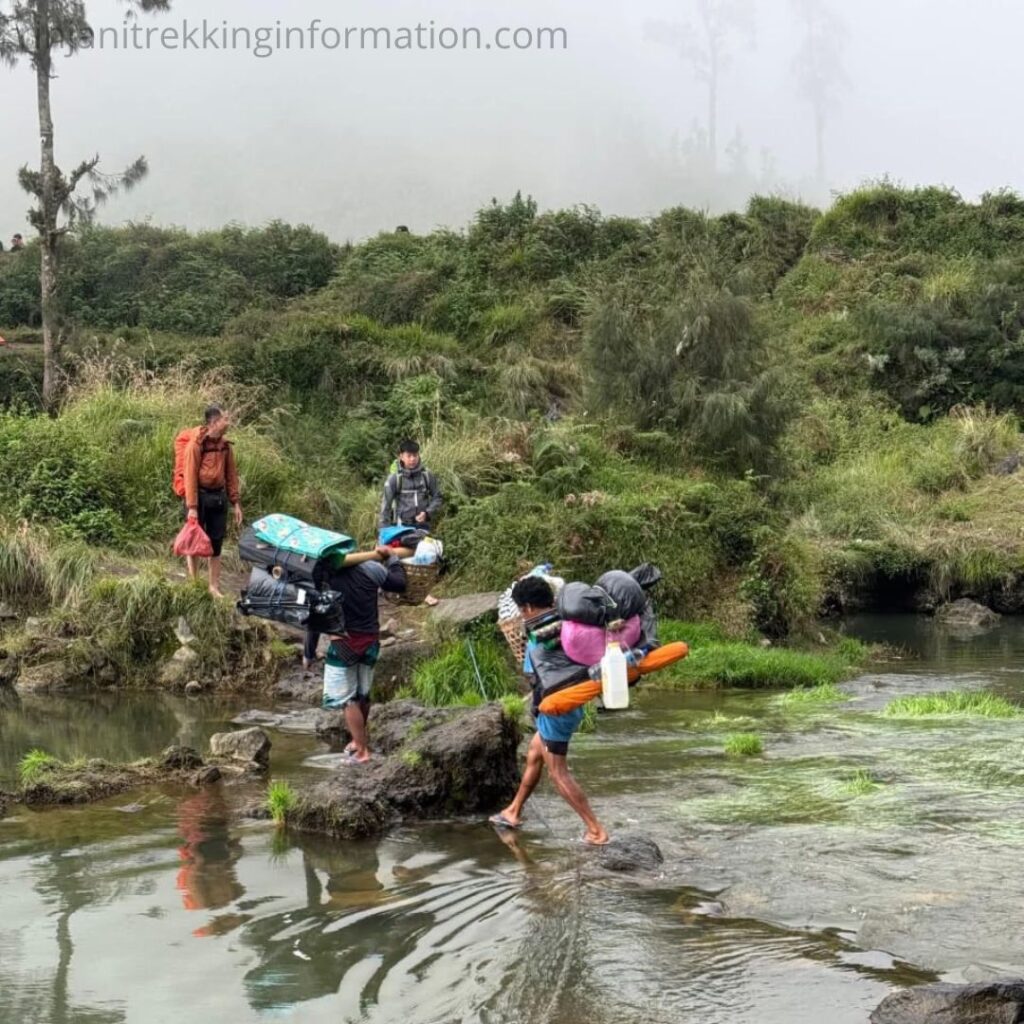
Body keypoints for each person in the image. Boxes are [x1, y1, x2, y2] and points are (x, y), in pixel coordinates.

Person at [490, 576, 610, 846]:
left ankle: (595, 830)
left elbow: (536, 676)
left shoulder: (537, 635)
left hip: (556, 710)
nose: (521, 614)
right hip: (569, 702)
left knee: (558, 773)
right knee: (534, 754)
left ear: (529, 607)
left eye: (521, 609)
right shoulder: (565, 625)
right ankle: (513, 811)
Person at [304, 546, 407, 763]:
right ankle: (357, 741)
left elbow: (314, 620)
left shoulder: (323, 578)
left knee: (347, 700)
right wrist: (393, 558)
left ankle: (361, 750)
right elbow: (400, 584)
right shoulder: (371, 568)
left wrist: (309, 652)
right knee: (363, 694)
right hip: (370, 640)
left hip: (343, 643)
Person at [182, 405, 242, 597]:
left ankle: (213, 587)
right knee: (194, 542)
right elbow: (189, 476)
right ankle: (193, 582)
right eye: (225, 418)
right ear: (215, 422)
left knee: (216, 543)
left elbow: (231, 475)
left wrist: (236, 503)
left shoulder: (225, 446)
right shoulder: (196, 445)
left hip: (218, 498)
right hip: (199, 498)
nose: (228, 422)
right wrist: (192, 507)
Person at [378, 439, 442, 533]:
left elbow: (438, 497)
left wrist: (427, 513)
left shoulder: (427, 475)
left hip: (423, 527)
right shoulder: (394, 479)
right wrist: (384, 533)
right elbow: (385, 507)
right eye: (409, 456)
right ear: (401, 457)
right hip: (402, 527)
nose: (412, 459)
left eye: (415, 455)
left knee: (425, 547)